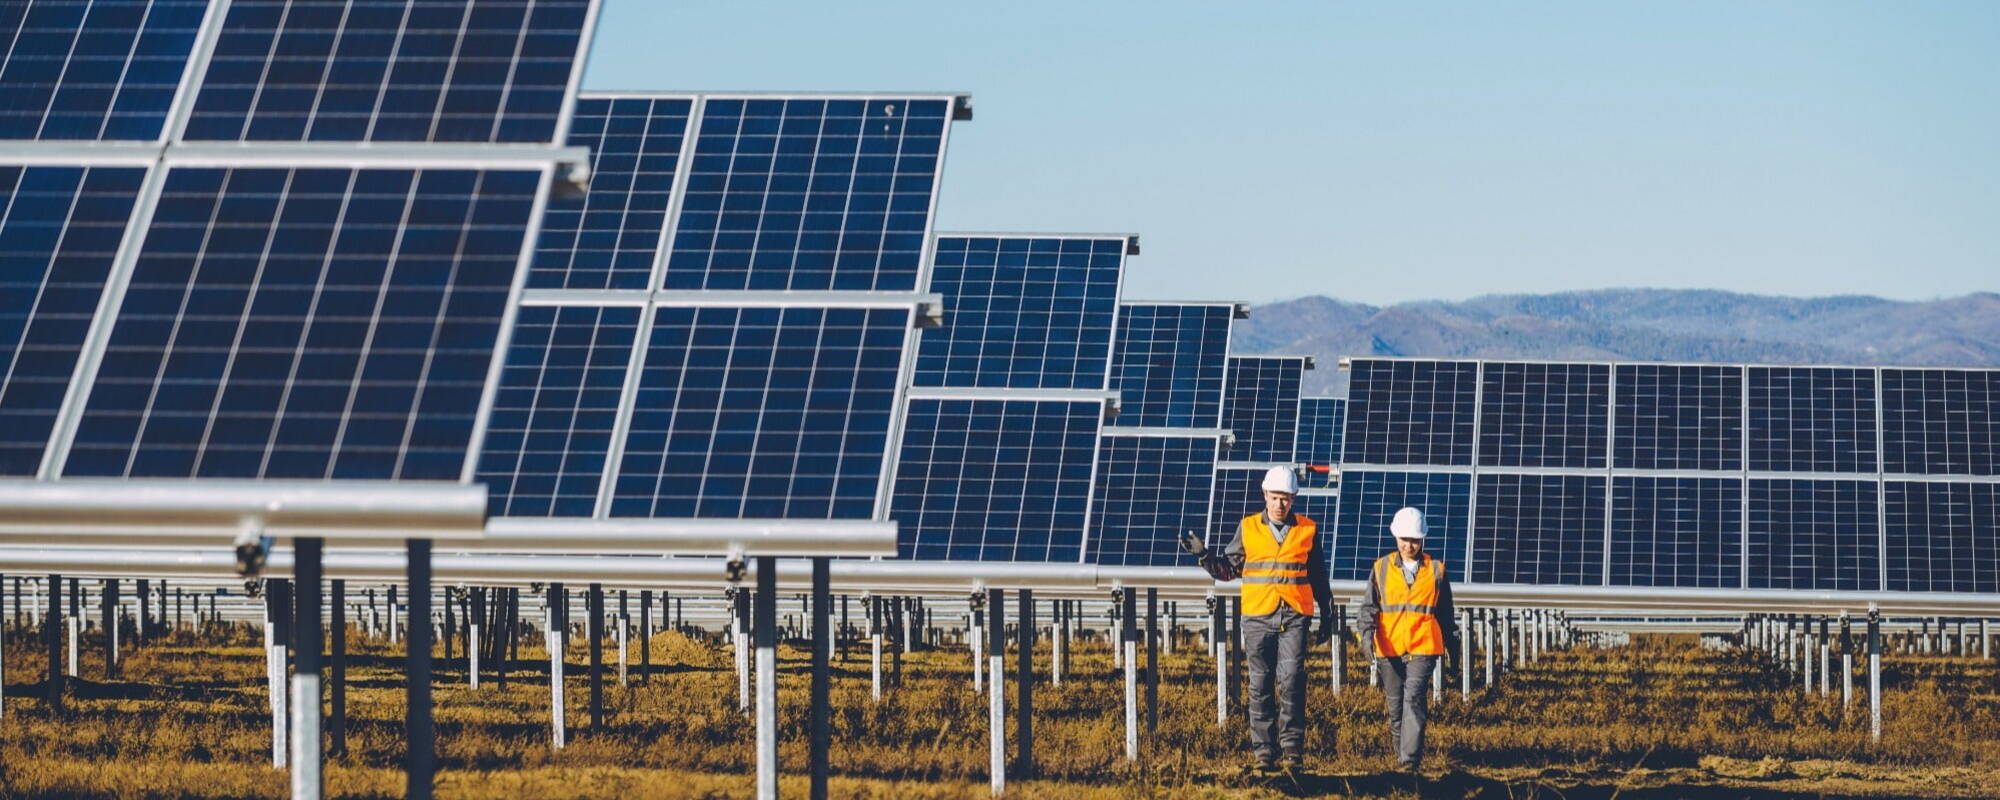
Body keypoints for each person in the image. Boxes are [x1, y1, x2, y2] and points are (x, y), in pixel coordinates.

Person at [1183, 466, 1335, 771]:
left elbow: (1318, 574)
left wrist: (1328, 614)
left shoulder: (1308, 529)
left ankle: (1292, 752)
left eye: (1286, 499)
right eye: (1275, 497)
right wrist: (1204, 557)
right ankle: (1264, 753)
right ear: (1265, 495)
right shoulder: (1248, 527)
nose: (1280, 504)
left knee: (1292, 680)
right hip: (1257, 615)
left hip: (1295, 614)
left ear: (1294, 499)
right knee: (1260, 683)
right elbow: (1229, 570)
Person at [1354, 507, 1459, 773]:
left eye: (1413, 540)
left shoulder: (1436, 570)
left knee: (1413, 699)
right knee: (1395, 706)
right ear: (1395, 537)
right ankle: (1402, 761)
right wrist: (1366, 637)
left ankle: (1408, 762)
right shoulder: (1380, 568)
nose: (1408, 545)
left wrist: (1453, 650)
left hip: (1424, 646)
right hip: (1389, 647)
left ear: (1422, 540)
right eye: (1404, 539)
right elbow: (1368, 608)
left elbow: (1446, 613)